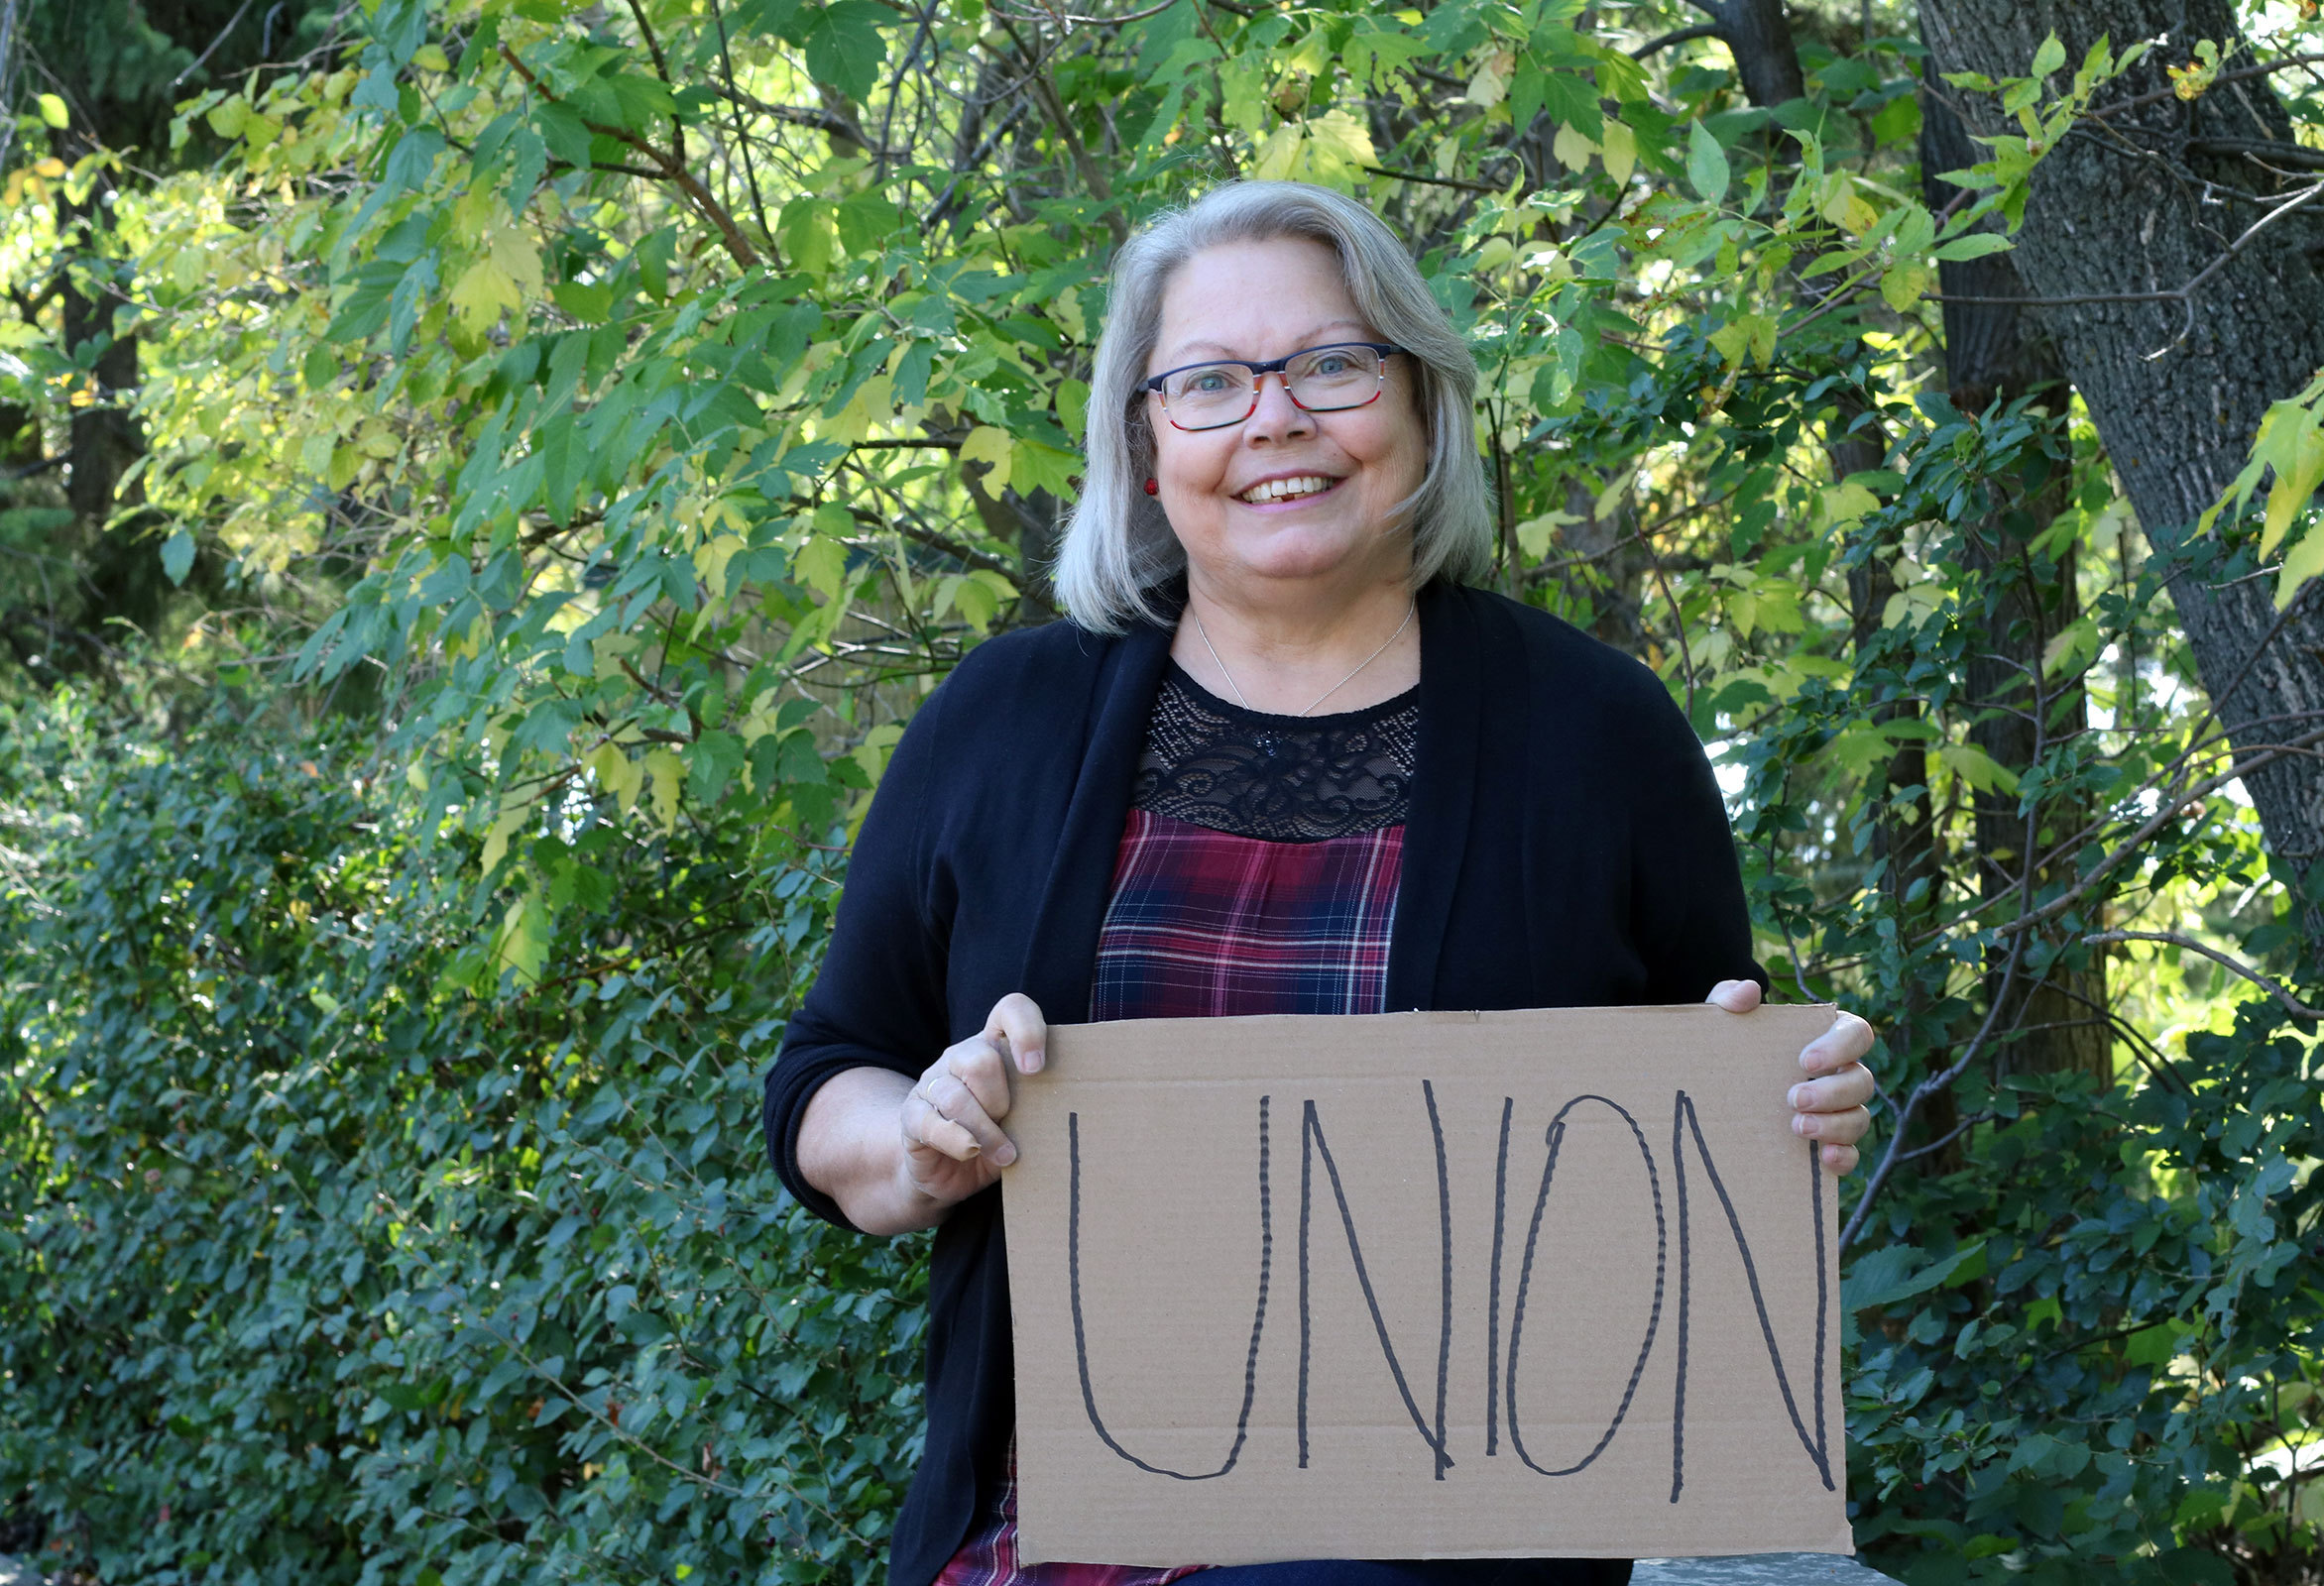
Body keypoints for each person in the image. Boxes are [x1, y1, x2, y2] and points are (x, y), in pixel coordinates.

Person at [763, 179, 1878, 1586]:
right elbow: (826, 1079)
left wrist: (1788, 1114)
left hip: (1442, 1550)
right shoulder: (1006, 718)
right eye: (1212, 382)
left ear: (1419, 404)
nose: (1276, 418)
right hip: (1051, 1545)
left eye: (1332, 365)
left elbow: (1692, 1183)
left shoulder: (1599, 734)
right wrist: (920, 1140)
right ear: (1147, 443)